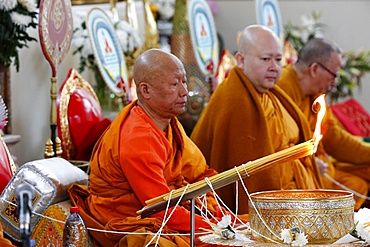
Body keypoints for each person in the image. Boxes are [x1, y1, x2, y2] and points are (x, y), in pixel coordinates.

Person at [68, 49, 242, 247]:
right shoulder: (139, 138)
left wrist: (223, 218)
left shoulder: (168, 123)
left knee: (246, 229)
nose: (185, 91)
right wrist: (217, 229)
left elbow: (200, 175)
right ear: (145, 90)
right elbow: (161, 208)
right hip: (133, 221)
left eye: (184, 81)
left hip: (170, 210)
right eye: (174, 84)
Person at [190, 25, 323, 214]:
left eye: (278, 59)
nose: (274, 67)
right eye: (266, 59)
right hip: (273, 204)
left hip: (297, 193)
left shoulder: (274, 94)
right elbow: (242, 175)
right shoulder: (234, 100)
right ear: (241, 61)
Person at [277, 38, 370, 210]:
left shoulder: (315, 94)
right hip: (293, 176)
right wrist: (308, 162)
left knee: (356, 183)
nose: (335, 81)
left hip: (319, 170)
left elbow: (333, 138)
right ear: (314, 69)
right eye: (334, 74)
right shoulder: (281, 88)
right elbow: (277, 146)